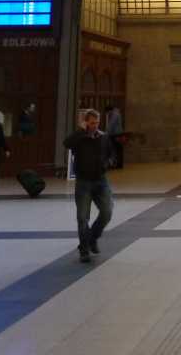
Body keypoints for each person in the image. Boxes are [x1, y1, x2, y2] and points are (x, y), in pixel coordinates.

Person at [63, 109, 114, 263]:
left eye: (97, 123)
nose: (95, 125)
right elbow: (66, 143)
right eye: (92, 123)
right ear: (86, 122)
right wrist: (81, 131)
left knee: (107, 211)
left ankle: (92, 238)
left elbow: (112, 154)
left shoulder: (103, 137)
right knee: (82, 217)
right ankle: (84, 249)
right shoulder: (79, 137)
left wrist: (108, 163)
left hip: (101, 180)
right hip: (84, 182)